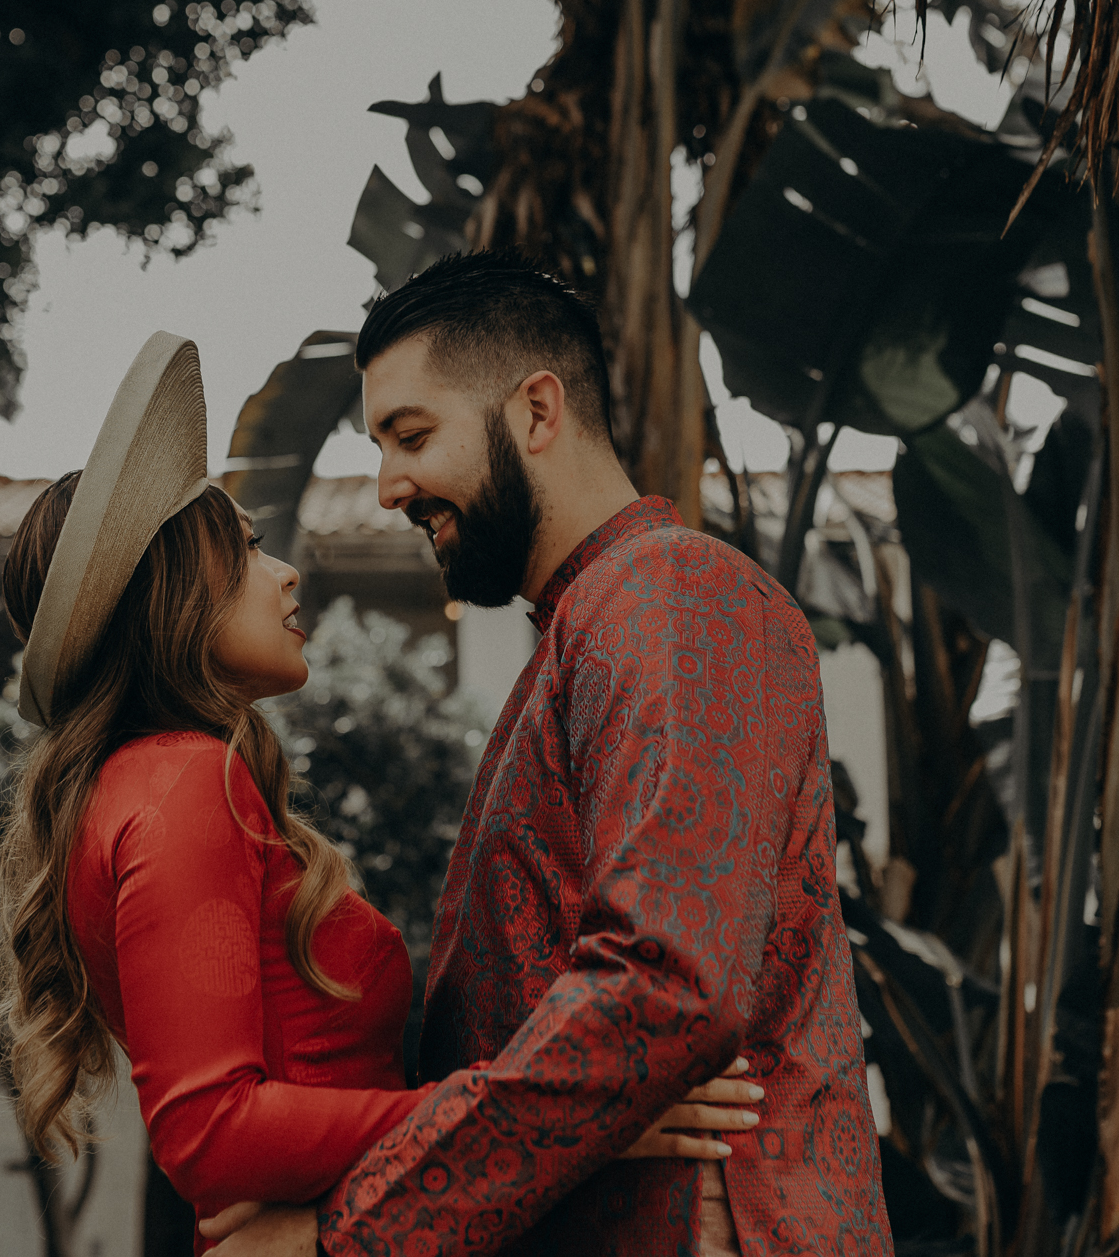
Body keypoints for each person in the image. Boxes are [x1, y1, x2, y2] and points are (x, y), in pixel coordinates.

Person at [0, 332, 763, 1256]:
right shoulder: (182, 781)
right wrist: (553, 1125)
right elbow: (211, 1134)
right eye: (246, 549)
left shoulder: (129, 790)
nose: (284, 572)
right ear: (175, 592)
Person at [205, 254, 892, 1256]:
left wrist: (341, 1236)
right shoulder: (587, 628)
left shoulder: (674, 599)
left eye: (412, 436)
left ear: (536, 412)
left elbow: (664, 988)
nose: (390, 486)